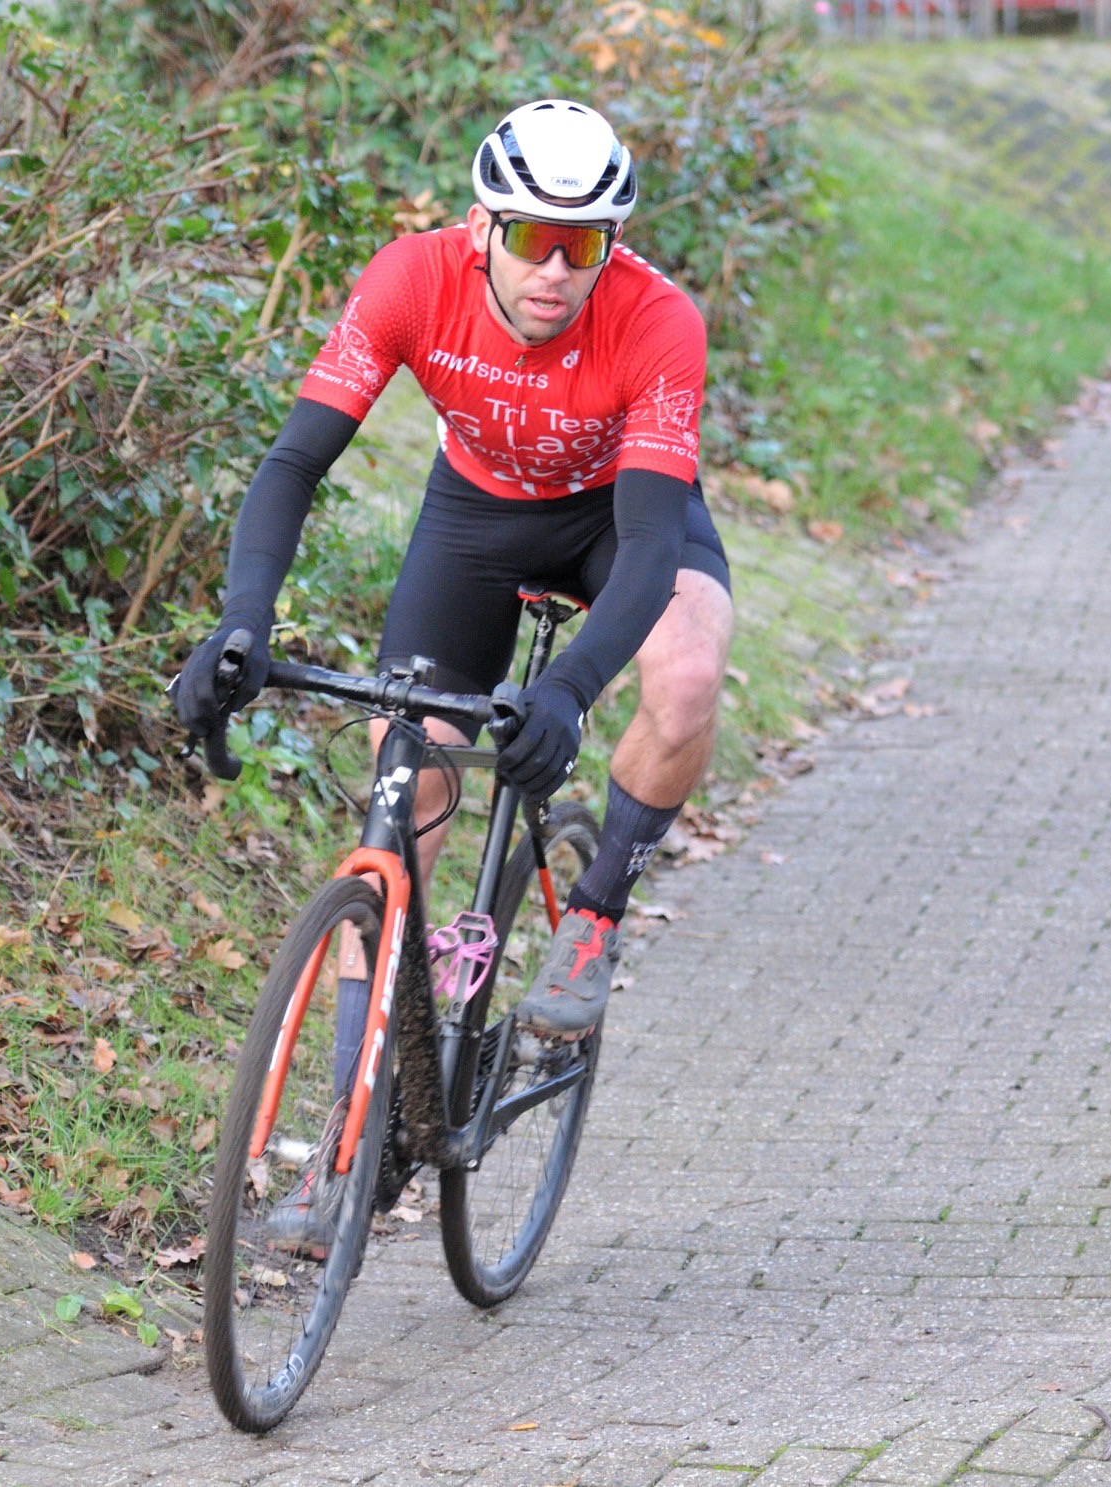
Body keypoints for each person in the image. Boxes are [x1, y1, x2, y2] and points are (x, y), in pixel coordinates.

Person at [177, 98, 733, 1058]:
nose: (554, 270)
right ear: (481, 228)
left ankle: (594, 917)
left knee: (686, 674)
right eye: (530, 237)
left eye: (581, 246)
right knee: (401, 810)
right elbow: (294, 464)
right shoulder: (410, 280)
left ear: (610, 247)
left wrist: (568, 690)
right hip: (477, 520)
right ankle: (355, 1117)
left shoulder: (659, 322)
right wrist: (243, 619)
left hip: (618, 517)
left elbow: (650, 545)